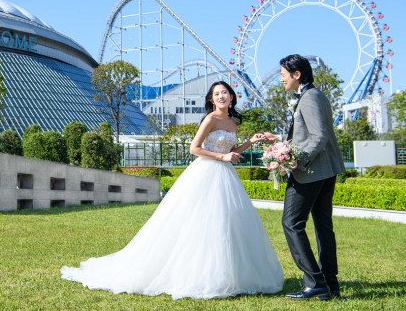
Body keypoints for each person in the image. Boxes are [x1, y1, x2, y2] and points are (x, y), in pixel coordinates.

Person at [61, 81, 284, 300]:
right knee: (201, 223)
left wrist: (250, 141)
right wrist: (221, 156)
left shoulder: (234, 123)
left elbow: (232, 150)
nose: (221, 97)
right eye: (216, 94)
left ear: (232, 97)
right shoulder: (210, 119)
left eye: (225, 92)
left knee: (228, 222)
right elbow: (194, 148)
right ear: (211, 99)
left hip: (225, 175)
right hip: (206, 173)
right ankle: (198, 273)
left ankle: (233, 275)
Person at [278, 54, 345, 301]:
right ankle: (329, 283)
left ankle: (315, 282)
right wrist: (281, 145)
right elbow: (308, 135)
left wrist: (295, 159)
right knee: (323, 227)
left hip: (312, 171)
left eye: (284, 73)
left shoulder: (310, 97)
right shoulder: (312, 96)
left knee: (292, 223)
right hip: (324, 170)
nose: (281, 77)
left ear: (298, 74)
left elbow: (319, 136)